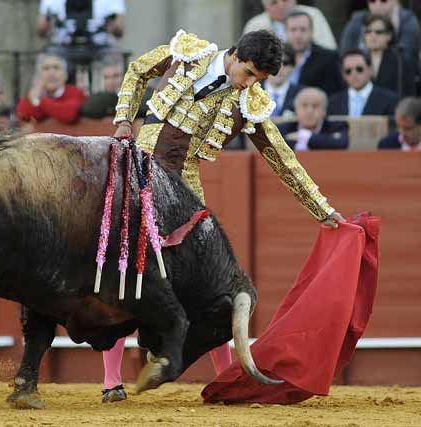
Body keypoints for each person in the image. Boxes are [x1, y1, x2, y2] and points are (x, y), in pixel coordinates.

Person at [107, 28, 345, 403]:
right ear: (234, 56)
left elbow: (282, 158)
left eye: (260, 80)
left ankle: (226, 379)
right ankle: (111, 381)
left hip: (185, 192)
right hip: (138, 171)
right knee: (122, 269)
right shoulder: (189, 54)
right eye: (248, 74)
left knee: (208, 284)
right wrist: (124, 119)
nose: (249, 85)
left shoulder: (250, 102)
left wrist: (323, 210)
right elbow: (138, 70)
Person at [285, 10, 343, 97]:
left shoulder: (329, 58)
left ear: (312, 32)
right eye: (293, 30)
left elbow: (333, 94)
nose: (298, 35)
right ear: (286, 32)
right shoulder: (275, 57)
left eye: (303, 30)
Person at [16, 53, 86, 124]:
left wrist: (38, 100)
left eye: (56, 68)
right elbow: (23, 113)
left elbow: (68, 114)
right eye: (46, 68)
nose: (51, 73)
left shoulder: (76, 92)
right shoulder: (36, 92)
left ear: (65, 75)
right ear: (39, 75)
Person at [340, 0, 420, 62]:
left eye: (383, 0)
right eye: (372, 1)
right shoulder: (358, 19)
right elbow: (344, 53)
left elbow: (407, 56)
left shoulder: (407, 20)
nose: (378, 5)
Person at [328, 49, 398, 117]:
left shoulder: (389, 100)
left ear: (370, 70)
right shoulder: (333, 103)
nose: (354, 74)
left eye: (359, 69)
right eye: (348, 71)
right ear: (343, 75)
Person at [243, 0, 337, 50]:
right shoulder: (255, 25)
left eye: (285, 0)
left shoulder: (313, 15)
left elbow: (329, 48)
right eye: (274, 2)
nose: (281, 5)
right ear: (265, 6)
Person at [362, 14, 417, 97]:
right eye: (368, 32)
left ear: (389, 36)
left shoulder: (401, 61)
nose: (372, 35)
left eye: (379, 32)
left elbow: (409, 95)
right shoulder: (358, 59)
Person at [278, 87, 349, 150]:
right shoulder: (283, 129)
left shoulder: (338, 127)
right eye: (304, 105)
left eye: (315, 106)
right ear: (296, 110)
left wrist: (305, 136)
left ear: (324, 111)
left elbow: (341, 143)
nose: (310, 111)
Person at [37, 0, 125, 48]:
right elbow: (41, 31)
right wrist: (52, 22)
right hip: (63, 48)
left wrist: (109, 25)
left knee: (113, 67)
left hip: (101, 49)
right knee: (49, 63)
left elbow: (120, 32)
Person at [262, 44, 303, 118]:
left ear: (293, 67)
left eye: (285, 63)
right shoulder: (250, 93)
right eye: (274, 63)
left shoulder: (302, 95)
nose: (279, 69)